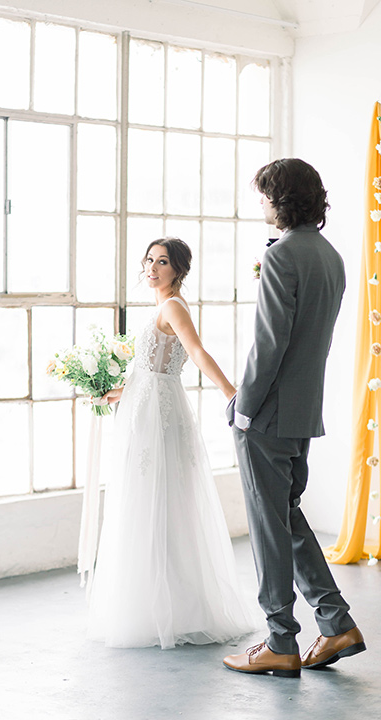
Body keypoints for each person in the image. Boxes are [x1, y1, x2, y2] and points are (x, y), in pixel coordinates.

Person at [223, 158, 366, 678]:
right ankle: (335, 623)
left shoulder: (283, 255)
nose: (259, 202)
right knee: (287, 515)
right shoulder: (330, 256)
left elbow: (269, 345)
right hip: (304, 408)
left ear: (280, 199)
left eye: (263, 194)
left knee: (267, 525)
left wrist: (243, 406)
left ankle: (280, 640)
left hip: (269, 411)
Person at [87, 237, 257, 649]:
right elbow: (151, 370)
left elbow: (196, 352)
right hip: (144, 409)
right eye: (148, 260)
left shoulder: (173, 306)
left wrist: (233, 394)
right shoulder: (161, 307)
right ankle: (151, 603)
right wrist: (117, 393)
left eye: (162, 262)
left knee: (160, 501)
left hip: (158, 417)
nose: (152, 267)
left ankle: (171, 608)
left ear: (178, 269)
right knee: (146, 501)